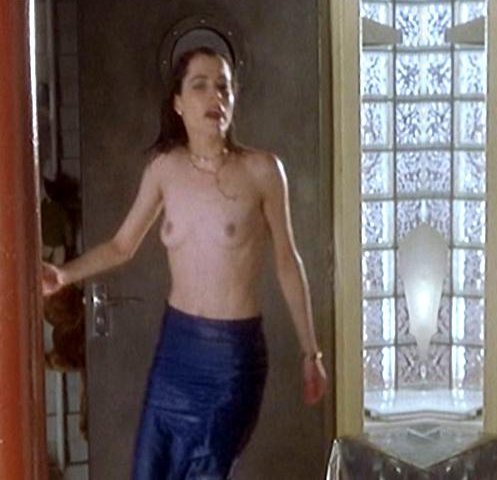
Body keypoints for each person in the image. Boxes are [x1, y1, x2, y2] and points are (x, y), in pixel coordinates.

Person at [41, 46, 328, 479]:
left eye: (224, 87)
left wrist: (311, 352)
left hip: (232, 357)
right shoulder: (165, 169)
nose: (216, 97)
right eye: (200, 86)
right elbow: (122, 246)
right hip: (175, 352)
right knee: (149, 471)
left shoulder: (263, 171)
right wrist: (64, 274)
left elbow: (288, 261)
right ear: (178, 103)